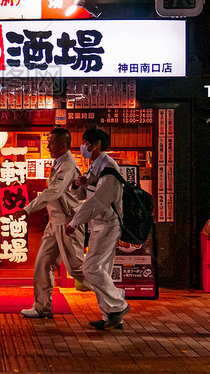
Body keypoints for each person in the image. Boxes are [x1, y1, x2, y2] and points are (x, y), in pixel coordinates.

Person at [13, 127, 87, 318]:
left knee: (76, 268)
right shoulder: (59, 163)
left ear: (62, 146)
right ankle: (42, 307)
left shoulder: (68, 165)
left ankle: (113, 297)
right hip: (55, 221)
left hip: (67, 222)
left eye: (51, 143)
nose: (47, 146)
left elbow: (53, 192)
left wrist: (27, 209)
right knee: (43, 264)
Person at [65, 127, 130, 330]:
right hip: (99, 226)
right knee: (103, 271)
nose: (83, 147)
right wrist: (78, 184)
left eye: (86, 143)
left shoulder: (109, 170)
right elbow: (82, 195)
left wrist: (75, 222)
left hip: (108, 226)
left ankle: (118, 304)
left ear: (97, 145)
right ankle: (111, 317)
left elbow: (97, 203)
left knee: (90, 268)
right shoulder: (95, 167)